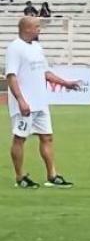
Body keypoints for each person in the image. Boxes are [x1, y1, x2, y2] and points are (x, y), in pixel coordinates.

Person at [6, 17, 80, 189]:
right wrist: (21, 100)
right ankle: (20, 177)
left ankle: (52, 175)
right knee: (20, 138)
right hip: (25, 104)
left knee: (47, 137)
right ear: (26, 28)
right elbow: (11, 76)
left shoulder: (37, 47)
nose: (39, 29)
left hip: (40, 102)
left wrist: (66, 83)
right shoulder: (15, 48)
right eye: (36, 27)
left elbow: (45, 72)